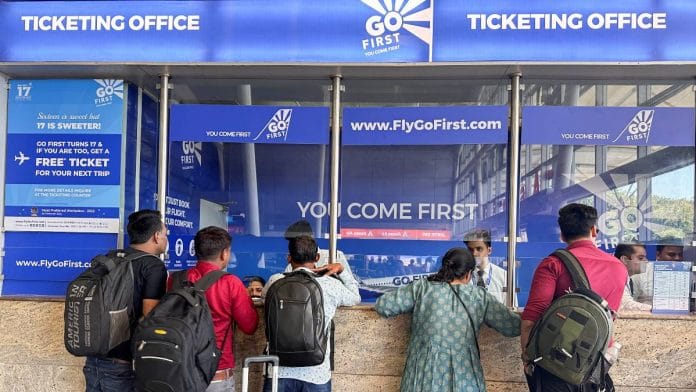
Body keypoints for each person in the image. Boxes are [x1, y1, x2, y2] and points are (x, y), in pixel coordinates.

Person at [375, 247, 520, 392]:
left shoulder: (423, 288)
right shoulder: (479, 297)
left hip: (423, 377)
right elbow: (512, 327)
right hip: (464, 377)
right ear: (468, 274)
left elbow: (383, 306)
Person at [521, 203, 627, 392]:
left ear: (562, 234)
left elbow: (531, 320)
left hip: (555, 365)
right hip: (596, 365)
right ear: (594, 230)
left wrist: (528, 360)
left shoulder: (553, 264)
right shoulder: (618, 268)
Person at [83, 209, 168, 392]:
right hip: (123, 365)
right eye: (165, 234)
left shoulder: (110, 258)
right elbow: (150, 316)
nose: (166, 239)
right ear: (156, 236)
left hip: (93, 359)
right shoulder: (153, 266)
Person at [262, 235, 361, 391]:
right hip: (316, 371)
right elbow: (355, 297)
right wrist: (341, 270)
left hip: (278, 369)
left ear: (289, 258)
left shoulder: (274, 281)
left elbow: (264, 300)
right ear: (317, 257)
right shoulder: (330, 285)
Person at [168, 226, 258, 391]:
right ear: (224, 253)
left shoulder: (175, 279)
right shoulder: (231, 283)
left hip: (178, 370)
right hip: (216, 374)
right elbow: (249, 326)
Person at [283, 220, 359, 286]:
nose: (295, 245)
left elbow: (351, 285)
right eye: (292, 242)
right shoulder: (291, 266)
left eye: (299, 240)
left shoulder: (336, 256)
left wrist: (340, 270)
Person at [464, 228, 515, 305]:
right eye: (470, 250)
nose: (474, 253)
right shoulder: (462, 275)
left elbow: (511, 310)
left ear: (489, 250)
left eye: (479, 249)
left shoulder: (504, 276)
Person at [614, 243, 652, 312]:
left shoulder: (628, 279)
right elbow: (627, 305)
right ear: (625, 259)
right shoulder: (615, 276)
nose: (646, 261)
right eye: (640, 258)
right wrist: (656, 309)